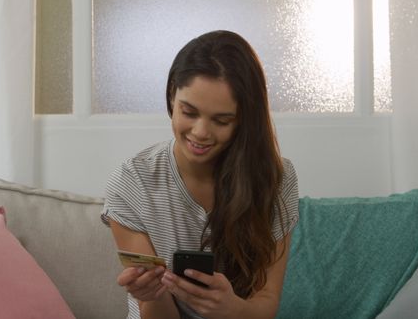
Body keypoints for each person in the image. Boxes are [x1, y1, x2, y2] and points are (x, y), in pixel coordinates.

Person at [101, 30, 299, 319]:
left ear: (243, 120)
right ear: (172, 96)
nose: (200, 132)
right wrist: (151, 295)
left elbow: (267, 301)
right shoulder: (132, 183)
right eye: (189, 112)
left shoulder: (275, 180)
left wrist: (231, 309)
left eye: (221, 120)